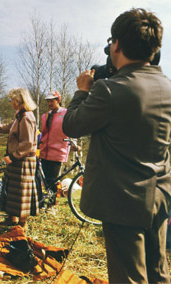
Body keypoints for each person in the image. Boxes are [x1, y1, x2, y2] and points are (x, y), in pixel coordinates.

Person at [62, 8, 171, 284]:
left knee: (129, 281)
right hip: (159, 197)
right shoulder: (167, 87)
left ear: (117, 44)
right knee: (158, 273)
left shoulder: (109, 89)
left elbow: (72, 125)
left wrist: (82, 91)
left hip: (123, 201)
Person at [0, 88, 38, 230]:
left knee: (22, 192)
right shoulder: (19, 115)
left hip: (23, 160)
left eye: (12, 100)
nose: (10, 103)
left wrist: (13, 157)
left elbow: (28, 143)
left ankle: (21, 224)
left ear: (19, 101)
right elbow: (9, 127)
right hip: (17, 159)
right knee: (11, 191)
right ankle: (12, 218)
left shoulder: (27, 117)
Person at [39, 90, 71, 210]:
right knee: (44, 181)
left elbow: (72, 130)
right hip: (44, 151)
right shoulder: (45, 116)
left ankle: (51, 206)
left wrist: (74, 144)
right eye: (48, 101)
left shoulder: (66, 114)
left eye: (51, 101)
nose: (49, 104)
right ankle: (42, 203)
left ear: (58, 100)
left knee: (53, 181)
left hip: (58, 152)